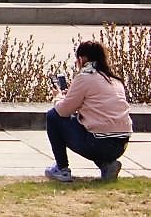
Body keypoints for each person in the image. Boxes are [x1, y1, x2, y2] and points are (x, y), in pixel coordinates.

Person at [43, 39, 132, 183]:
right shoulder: (115, 80)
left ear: (82, 59)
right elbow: (97, 108)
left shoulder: (85, 78)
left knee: (53, 116)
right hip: (120, 145)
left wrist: (58, 97)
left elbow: (63, 111)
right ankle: (107, 165)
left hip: (98, 143)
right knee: (92, 129)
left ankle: (62, 168)